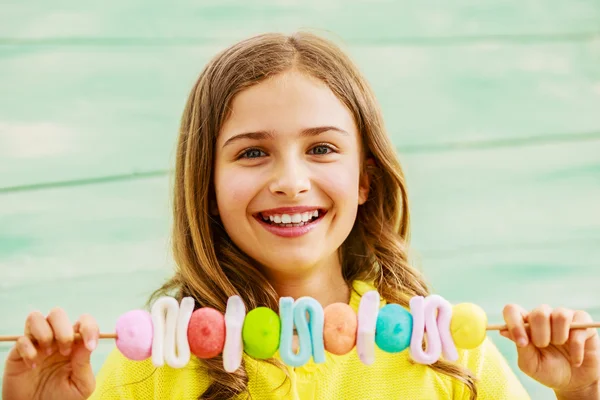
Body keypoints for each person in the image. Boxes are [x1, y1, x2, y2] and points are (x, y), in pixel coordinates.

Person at [3, 32, 599, 400]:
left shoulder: (451, 359)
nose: (290, 181)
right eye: (252, 152)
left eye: (321, 148)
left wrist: (582, 395)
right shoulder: (153, 372)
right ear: (207, 187)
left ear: (365, 179)